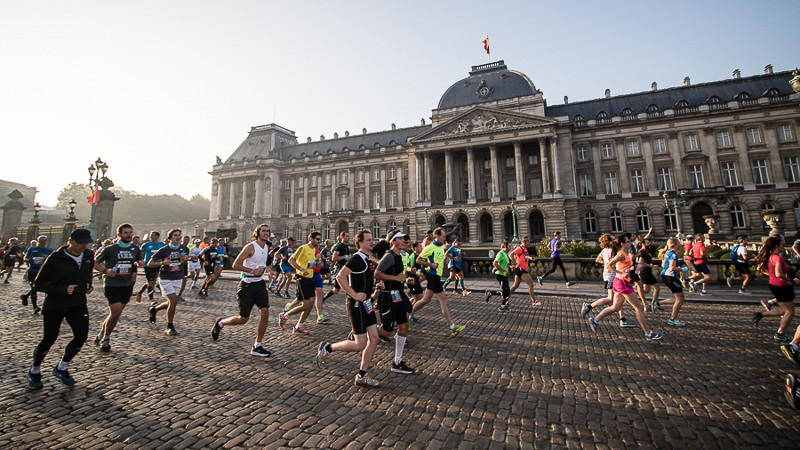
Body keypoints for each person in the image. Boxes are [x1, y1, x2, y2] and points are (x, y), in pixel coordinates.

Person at [26, 229, 95, 389]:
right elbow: (38, 284)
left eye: (86, 243)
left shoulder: (88, 255)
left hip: (77, 303)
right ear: (70, 241)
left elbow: (87, 272)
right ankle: (35, 370)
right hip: (55, 304)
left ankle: (62, 367)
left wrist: (88, 285)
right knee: (49, 339)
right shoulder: (56, 258)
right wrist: (62, 290)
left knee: (81, 336)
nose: (83, 246)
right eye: (80, 243)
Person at [315, 229, 382, 388]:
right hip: (356, 304)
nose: (372, 242)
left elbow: (363, 279)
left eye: (371, 239)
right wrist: (354, 294)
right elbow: (340, 276)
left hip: (366, 304)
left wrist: (376, 286)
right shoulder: (357, 258)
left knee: (374, 338)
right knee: (360, 344)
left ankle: (362, 374)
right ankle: (328, 347)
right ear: (360, 243)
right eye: (368, 240)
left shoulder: (367, 258)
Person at [211, 224, 273, 357]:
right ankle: (220, 323)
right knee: (243, 318)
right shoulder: (250, 247)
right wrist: (252, 270)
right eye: (263, 231)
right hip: (247, 285)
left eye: (268, 231)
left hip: (260, 284)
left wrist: (270, 271)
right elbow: (235, 265)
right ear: (257, 233)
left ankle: (257, 345)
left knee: (265, 313)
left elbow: (263, 263)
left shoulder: (266, 247)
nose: (266, 233)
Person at [588, 235, 662, 341]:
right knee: (639, 308)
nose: (630, 243)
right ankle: (648, 333)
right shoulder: (620, 254)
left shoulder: (625, 254)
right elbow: (608, 265)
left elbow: (623, 267)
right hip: (622, 282)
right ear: (622, 244)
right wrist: (621, 273)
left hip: (620, 282)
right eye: (627, 242)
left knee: (615, 307)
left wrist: (632, 268)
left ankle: (595, 319)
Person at [93, 223, 143, 352]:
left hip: (127, 284)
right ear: (119, 234)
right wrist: (105, 271)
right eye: (125, 233)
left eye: (130, 232)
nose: (128, 235)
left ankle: (101, 333)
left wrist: (140, 263)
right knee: (115, 312)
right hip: (112, 284)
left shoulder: (135, 248)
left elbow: (138, 261)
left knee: (115, 314)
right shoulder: (110, 249)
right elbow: (95, 263)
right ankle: (106, 339)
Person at [374, 229, 416, 374]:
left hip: (398, 294)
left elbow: (397, 275)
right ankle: (364, 331)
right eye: (400, 239)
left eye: (404, 239)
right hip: (387, 296)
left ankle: (397, 361)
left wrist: (405, 280)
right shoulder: (389, 256)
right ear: (393, 242)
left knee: (404, 327)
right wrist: (395, 278)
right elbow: (377, 273)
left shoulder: (399, 256)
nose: (404, 241)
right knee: (386, 331)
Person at [410, 227, 466, 336]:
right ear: (437, 236)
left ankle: (408, 315)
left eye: (445, 236)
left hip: (437, 276)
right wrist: (430, 264)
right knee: (443, 300)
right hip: (433, 275)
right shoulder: (429, 248)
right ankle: (453, 326)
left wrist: (444, 261)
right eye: (443, 236)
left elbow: (439, 259)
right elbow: (418, 260)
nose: (445, 238)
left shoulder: (440, 247)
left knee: (425, 300)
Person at [581, 234, 636, 328]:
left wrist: (607, 263)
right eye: (613, 239)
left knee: (618, 300)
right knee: (611, 299)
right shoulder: (614, 251)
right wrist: (611, 265)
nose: (615, 240)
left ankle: (622, 319)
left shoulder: (605, 250)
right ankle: (589, 306)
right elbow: (609, 264)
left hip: (612, 276)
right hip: (612, 276)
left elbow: (598, 260)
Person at [752, 235, 799, 341]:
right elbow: (779, 274)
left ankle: (761, 315)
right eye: (782, 243)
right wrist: (791, 281)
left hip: (774, 285)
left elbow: (769, 270)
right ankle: (780, 333)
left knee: (784, 310)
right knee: (790, 312)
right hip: (782, 286)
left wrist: (790, 268)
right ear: (777, 246)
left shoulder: (772, 256)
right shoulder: (777, 258)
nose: (784, 244)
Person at [147, 228, 190, 336]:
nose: (178, 237)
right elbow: (150, 263)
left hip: (178, 277)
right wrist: (162, 263)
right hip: (166, 278)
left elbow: (183, 262)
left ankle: (154, 309)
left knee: (171, 302)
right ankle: (169, 326)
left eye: (179, 235)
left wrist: (185, 259)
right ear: (170, 238)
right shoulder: (164, 250)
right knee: (174, 300)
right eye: (175, 235)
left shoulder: (184, 248)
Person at [280, 232, 321, 335]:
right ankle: (285, 315)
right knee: (306, 304)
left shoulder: (314, 250)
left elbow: (309, 265)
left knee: (310, 305)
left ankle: (298, 326)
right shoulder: (303, 248)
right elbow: (291, 260)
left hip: (310, 279)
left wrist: (317, 263)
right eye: (317, 239)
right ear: (310, 238)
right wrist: (301, 269)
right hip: (301, 279)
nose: (319, 241)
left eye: (320, 239)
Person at [652, 237, 687, 326]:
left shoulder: (669, 253)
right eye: (679, 243)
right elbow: (672, 268)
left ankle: (658, 303)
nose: (680, 244)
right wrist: (684, 269)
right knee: (680, 299)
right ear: (675, 244)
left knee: (680, 299)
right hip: (670, 277)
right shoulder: (673, 254)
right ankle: (672, 319)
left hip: (668, 276)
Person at [21, 235, 53, 314]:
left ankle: (26, 296)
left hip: (44, 271)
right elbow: (25, 257)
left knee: (45, 287)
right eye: (41, 242)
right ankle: (35, 307)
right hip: (33, 270)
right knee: (34, 287)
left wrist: (47, 257)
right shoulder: (32, 249)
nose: (42, 243)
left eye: (43, 242)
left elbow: (53, 260)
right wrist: (28, 260)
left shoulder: (49, 250)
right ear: (38, 241)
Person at [508, 236, 539, 307]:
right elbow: (510, 255)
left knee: (515, 286)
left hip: (521, 269)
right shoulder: (519, 248)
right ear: (523, 242)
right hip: (521, 269)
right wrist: (516, 263)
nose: (529, 243)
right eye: (528, 242)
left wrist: (530, 258)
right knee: (531, 284)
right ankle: (533, 301)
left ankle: (506, 298)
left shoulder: (524, 249)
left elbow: (525, 257)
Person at [322, 232, 351, 301]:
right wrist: (344, 257)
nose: (349, 238)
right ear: (342, 237)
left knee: (338, 289)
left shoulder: (347, 247)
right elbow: (334, 258)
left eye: (349, 236)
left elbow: (347, 259)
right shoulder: (340, 246)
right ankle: (324, 298)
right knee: (338, 289)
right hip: (339, 269)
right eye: (347, 236)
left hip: (344, 269)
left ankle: (324, 298)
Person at [136, 232, 164, 303]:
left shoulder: (161, 244)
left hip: (157, 265)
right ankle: (151, 299)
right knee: (151, 282)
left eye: (152, 235)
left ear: (157, 236)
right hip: (148, 265)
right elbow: (140, 253)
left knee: (152, 283)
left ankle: (140, 292)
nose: (150, 236)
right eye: (150, 235)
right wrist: (140, 260)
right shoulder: (146, 244)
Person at [484, 240, 512, 311]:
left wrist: (510, 267)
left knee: (507, 291)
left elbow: (504, 264)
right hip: (500, 274)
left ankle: (491, 294)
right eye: (509, 246)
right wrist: (504, 271)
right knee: (505, 291)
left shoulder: (505, 254)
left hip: (503, 274)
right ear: (505, 246)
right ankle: (502, 306)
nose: (510, 248)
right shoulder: (501, 254)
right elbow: (495, 263)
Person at [404, 241, 425, 321]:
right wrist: (418, 274)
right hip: (411, 280)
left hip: (416, 279)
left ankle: (408, 312)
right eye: (420, 246)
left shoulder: (419, 256)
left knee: (417, 298)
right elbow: (411, 269)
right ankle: (410, 314)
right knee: (420, 298)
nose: (421, 248)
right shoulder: (413, 256)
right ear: (415, 248)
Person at [636, 238, 660, 308]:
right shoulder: (642, 252)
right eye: (647, 243)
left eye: (649, 242)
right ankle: (654, 303)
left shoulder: (645, 251)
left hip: (646, 271)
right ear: (643, 244)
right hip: (645, 272)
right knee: (657, 287)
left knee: (646, 290)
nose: (649, 244)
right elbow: (640, 262)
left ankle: (631, 293)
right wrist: (651, 266)